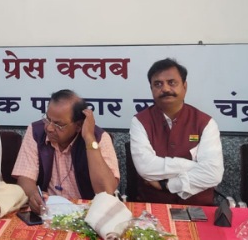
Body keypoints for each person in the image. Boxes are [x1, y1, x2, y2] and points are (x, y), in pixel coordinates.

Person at [129, 58, 224, 205]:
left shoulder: (205, 122)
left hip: (198, 206)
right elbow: (146, 168)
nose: (165, 89)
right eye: (158, 84)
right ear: (151, 89)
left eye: (172, 82)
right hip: (152, 205)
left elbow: (213, 175)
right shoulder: (140, 121)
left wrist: (168, 185)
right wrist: (194, 166)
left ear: (184, 86)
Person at [12, 90, 120, 213]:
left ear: (78, 125)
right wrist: (34, 195)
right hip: (47, 211)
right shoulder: (36, 131)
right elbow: (25, 177)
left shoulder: (99, 138)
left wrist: (89, 139)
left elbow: (106, 191)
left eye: (58, 125)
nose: (49, 128)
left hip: (88, 212)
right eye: (47, 119)